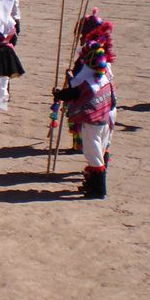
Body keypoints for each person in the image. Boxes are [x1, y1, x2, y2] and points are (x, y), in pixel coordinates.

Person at [53, 34, 115, 200]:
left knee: (93, 155)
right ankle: (91, 185)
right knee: (98, 152)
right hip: (105, 121)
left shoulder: (89, 83)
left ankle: (99, 190)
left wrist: (59, 93)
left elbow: (73, 93)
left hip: (93, 123)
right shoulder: (105, 78)